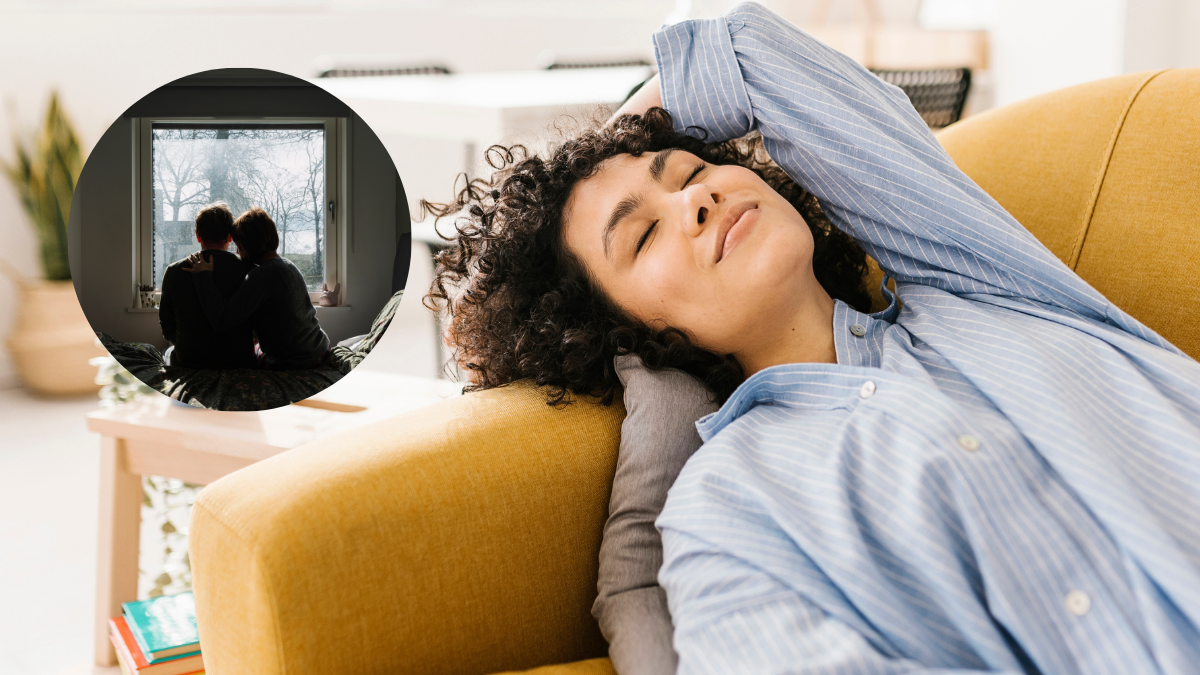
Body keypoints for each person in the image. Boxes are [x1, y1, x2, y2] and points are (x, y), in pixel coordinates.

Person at [425, 3, 1200, 673]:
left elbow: (750, 52)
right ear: (621, 331)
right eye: (641, 237)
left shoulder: (975, 285)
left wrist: (613, 141)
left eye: (688, 169)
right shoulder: (727, 505)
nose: (695, 200)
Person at [185, 206, 331, 370]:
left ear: (249, 244)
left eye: (239, 245)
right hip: (321, 347)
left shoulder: (262, 275)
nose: (238, 252)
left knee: (247, 355)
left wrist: (204, 276)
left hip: (298, 361)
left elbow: (222, 321)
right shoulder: (288, 265)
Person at [158, 201, 256, 369]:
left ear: (198, 235)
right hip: (239, 362)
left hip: (189, 362)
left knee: (167, 352)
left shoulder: (174, 271)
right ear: (230, 237)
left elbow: (167, 327)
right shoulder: (250, 271)